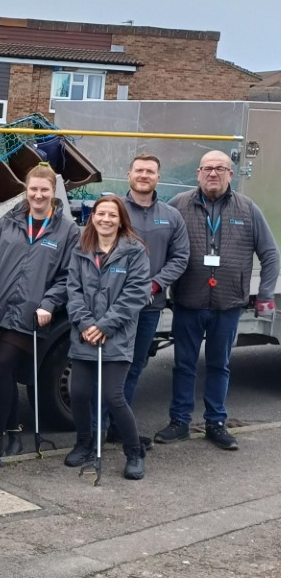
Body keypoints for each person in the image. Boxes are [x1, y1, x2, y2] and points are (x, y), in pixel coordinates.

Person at [155, 150, 280, 451]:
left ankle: (216, 423)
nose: (213, 173)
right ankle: (180, 422)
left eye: (220, 168)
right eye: (208, 168)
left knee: (219, 365)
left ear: (230, 174)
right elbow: (158, 245)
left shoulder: (248, 209)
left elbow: (270, 254)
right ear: (198, 173)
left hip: (228, 305)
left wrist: (264, 294)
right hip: (188, 301)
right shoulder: (178, 206)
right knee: (184, 365)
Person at [0, 163, 79, 459]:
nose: (38, 194)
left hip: (30, 314)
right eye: (33, 189)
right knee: (4, 372)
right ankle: (14, 433)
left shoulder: (66, 230)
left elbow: (67, 276)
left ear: (53, 192)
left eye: (44, 189)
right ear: (26, 190)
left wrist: (49, 303)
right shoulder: (10, 221)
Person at [101, 155, 188, 446]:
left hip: (149, 306)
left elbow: (180, 257)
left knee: (133, 366)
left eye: (150, 171)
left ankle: (117, 427)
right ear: (129, 174)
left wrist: (155, 283)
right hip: (112, 307)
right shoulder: (113, 211)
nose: (144, 175)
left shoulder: (171, 215)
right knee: (104, 365)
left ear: (158, 178)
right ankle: (95, 431)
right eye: (139, 170)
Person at [65, 194, 151, 480]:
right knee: (78, 393)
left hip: (117, 337)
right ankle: (85, 443)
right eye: (101, 214)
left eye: (112, 215)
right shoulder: (80, 248)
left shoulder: (134, 251)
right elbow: (73, 291)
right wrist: (87, 324)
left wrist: (105, 326)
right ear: (92, 217)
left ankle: (134, 452)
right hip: (84, 335)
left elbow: (136, 294)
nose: (106, 219)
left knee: (113, 396)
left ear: (120, 219)